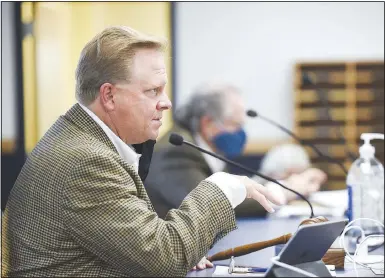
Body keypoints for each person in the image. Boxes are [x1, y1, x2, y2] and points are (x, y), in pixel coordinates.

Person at [1, 26, 282, 277]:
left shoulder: (80, 140)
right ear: (109, 96)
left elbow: (143, 246)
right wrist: (221, 188)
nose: (167, 103)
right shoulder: (86, 161)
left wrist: (181, 246)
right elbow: (166, 260)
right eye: (153, 91)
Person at [145, 82, 327, 219]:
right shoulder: (177, 151)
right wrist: (283, 193)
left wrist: (283, 181)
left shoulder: (207, 147)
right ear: (208, 123)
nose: (240, 133)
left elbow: (231, 191)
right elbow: (213, 206)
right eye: (235, 125)